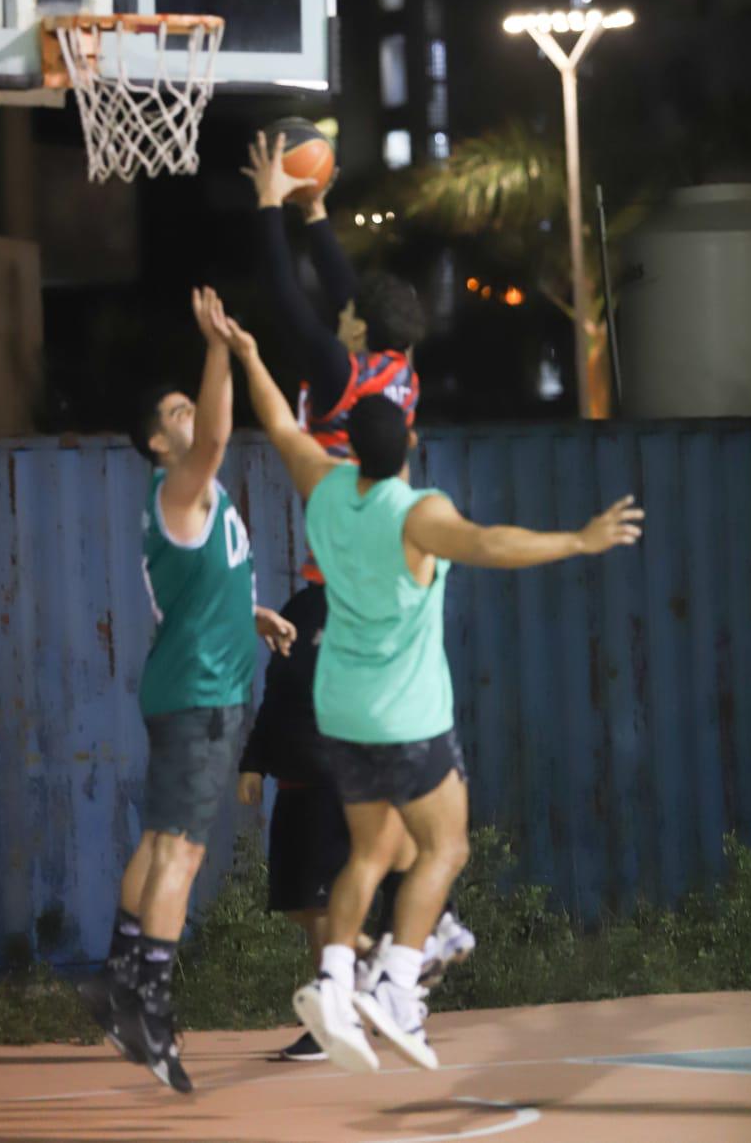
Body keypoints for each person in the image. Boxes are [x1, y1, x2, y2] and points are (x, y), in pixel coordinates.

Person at [210, 305, 644, 1075]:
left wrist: (246, 353)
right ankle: (397, 983)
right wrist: (578, 539)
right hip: (403, 715)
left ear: (347, 449)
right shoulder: (418, 513)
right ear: (409, 444)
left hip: (337, 710)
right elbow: (490, 545)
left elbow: (279, 425)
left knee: (376, 849)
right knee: (445, 845)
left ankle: (338, 977)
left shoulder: (326, 489)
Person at [237, 132, 471, 1062]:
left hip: (336, 606)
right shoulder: (397, 370)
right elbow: (341, 293)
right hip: (379, 603)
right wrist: (319, 214)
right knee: (393, 783)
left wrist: (267, 204)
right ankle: (417, 934)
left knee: (342, 786)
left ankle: (368, 966)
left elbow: (294, 305)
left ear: (357, 332)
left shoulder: (335, 375)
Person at [79, 287, 296, 1094]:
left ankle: (116, 975)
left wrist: (257, 615)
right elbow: (215, 433)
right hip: (200, 696)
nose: (189, 419)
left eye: (186, 407)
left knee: (159, 839)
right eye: (173, 412)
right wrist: (217, 348)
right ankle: (148, 1005)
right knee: (183, 849)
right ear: (155, 441)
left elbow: (206, 594)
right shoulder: (179, 487)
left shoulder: (200, 502)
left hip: (198, 685)